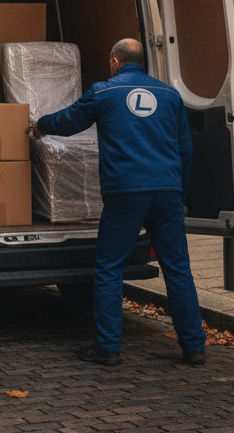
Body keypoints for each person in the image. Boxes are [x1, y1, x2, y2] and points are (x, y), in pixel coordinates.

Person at [33, 38, 206, 368]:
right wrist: (179, 196)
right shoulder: (170, 96)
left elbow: (69, 120)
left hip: (126, 192)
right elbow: (186, 151)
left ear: (115, 61)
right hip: (167, 190)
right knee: (178, 270)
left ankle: (108, 348)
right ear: (142, 62)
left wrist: (41, 125)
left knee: (110, 268)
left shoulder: (104, 92)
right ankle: (194, 347)